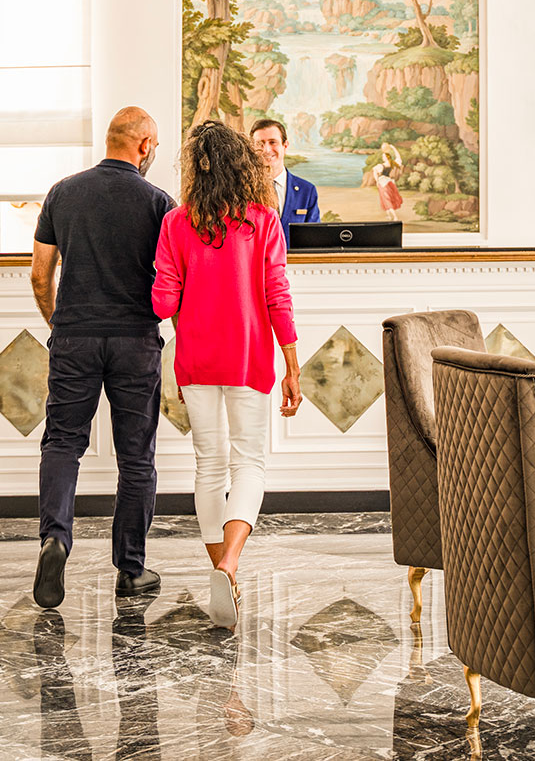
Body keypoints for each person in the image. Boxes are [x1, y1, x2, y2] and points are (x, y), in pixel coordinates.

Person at [152, 120, 303, 630]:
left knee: (208, 466)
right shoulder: (264, 221)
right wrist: (292, 363)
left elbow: (162, 302)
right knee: (250, 463)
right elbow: (276, 295)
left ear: (196, 168)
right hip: (251, 356)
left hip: (195, 358)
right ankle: (230, 565)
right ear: (244, 165)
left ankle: (221, 572)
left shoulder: (175, 224)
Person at [29, 105, 174, 609]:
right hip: (136, 340)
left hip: (75, 337)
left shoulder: (62, 193)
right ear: (144, 145)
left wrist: (58, 322)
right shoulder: (159, 203)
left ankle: (56, 538)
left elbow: (39, 273)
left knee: (63, 443)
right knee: (136, 458)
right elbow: (173, 280)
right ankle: (131, 571)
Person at [249, 117, 320, 228]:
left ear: (285, 146)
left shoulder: (307, 191)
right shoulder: (241, 190)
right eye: (260, 143)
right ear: (252, 148)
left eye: (273, 142)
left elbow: (315, 238)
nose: (266, 149)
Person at [374, 143, 404, 221]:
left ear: (386, 157)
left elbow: (375, 171)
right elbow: (399, 157)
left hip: (383, 183)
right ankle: (389, 216)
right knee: (386, 199)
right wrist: (393, 148)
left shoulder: (381, 166)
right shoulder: (392, 164)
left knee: (386, 199)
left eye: (383, 156)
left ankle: (394, 217)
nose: (382, 157)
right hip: (389, 182)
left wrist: (377, 181)